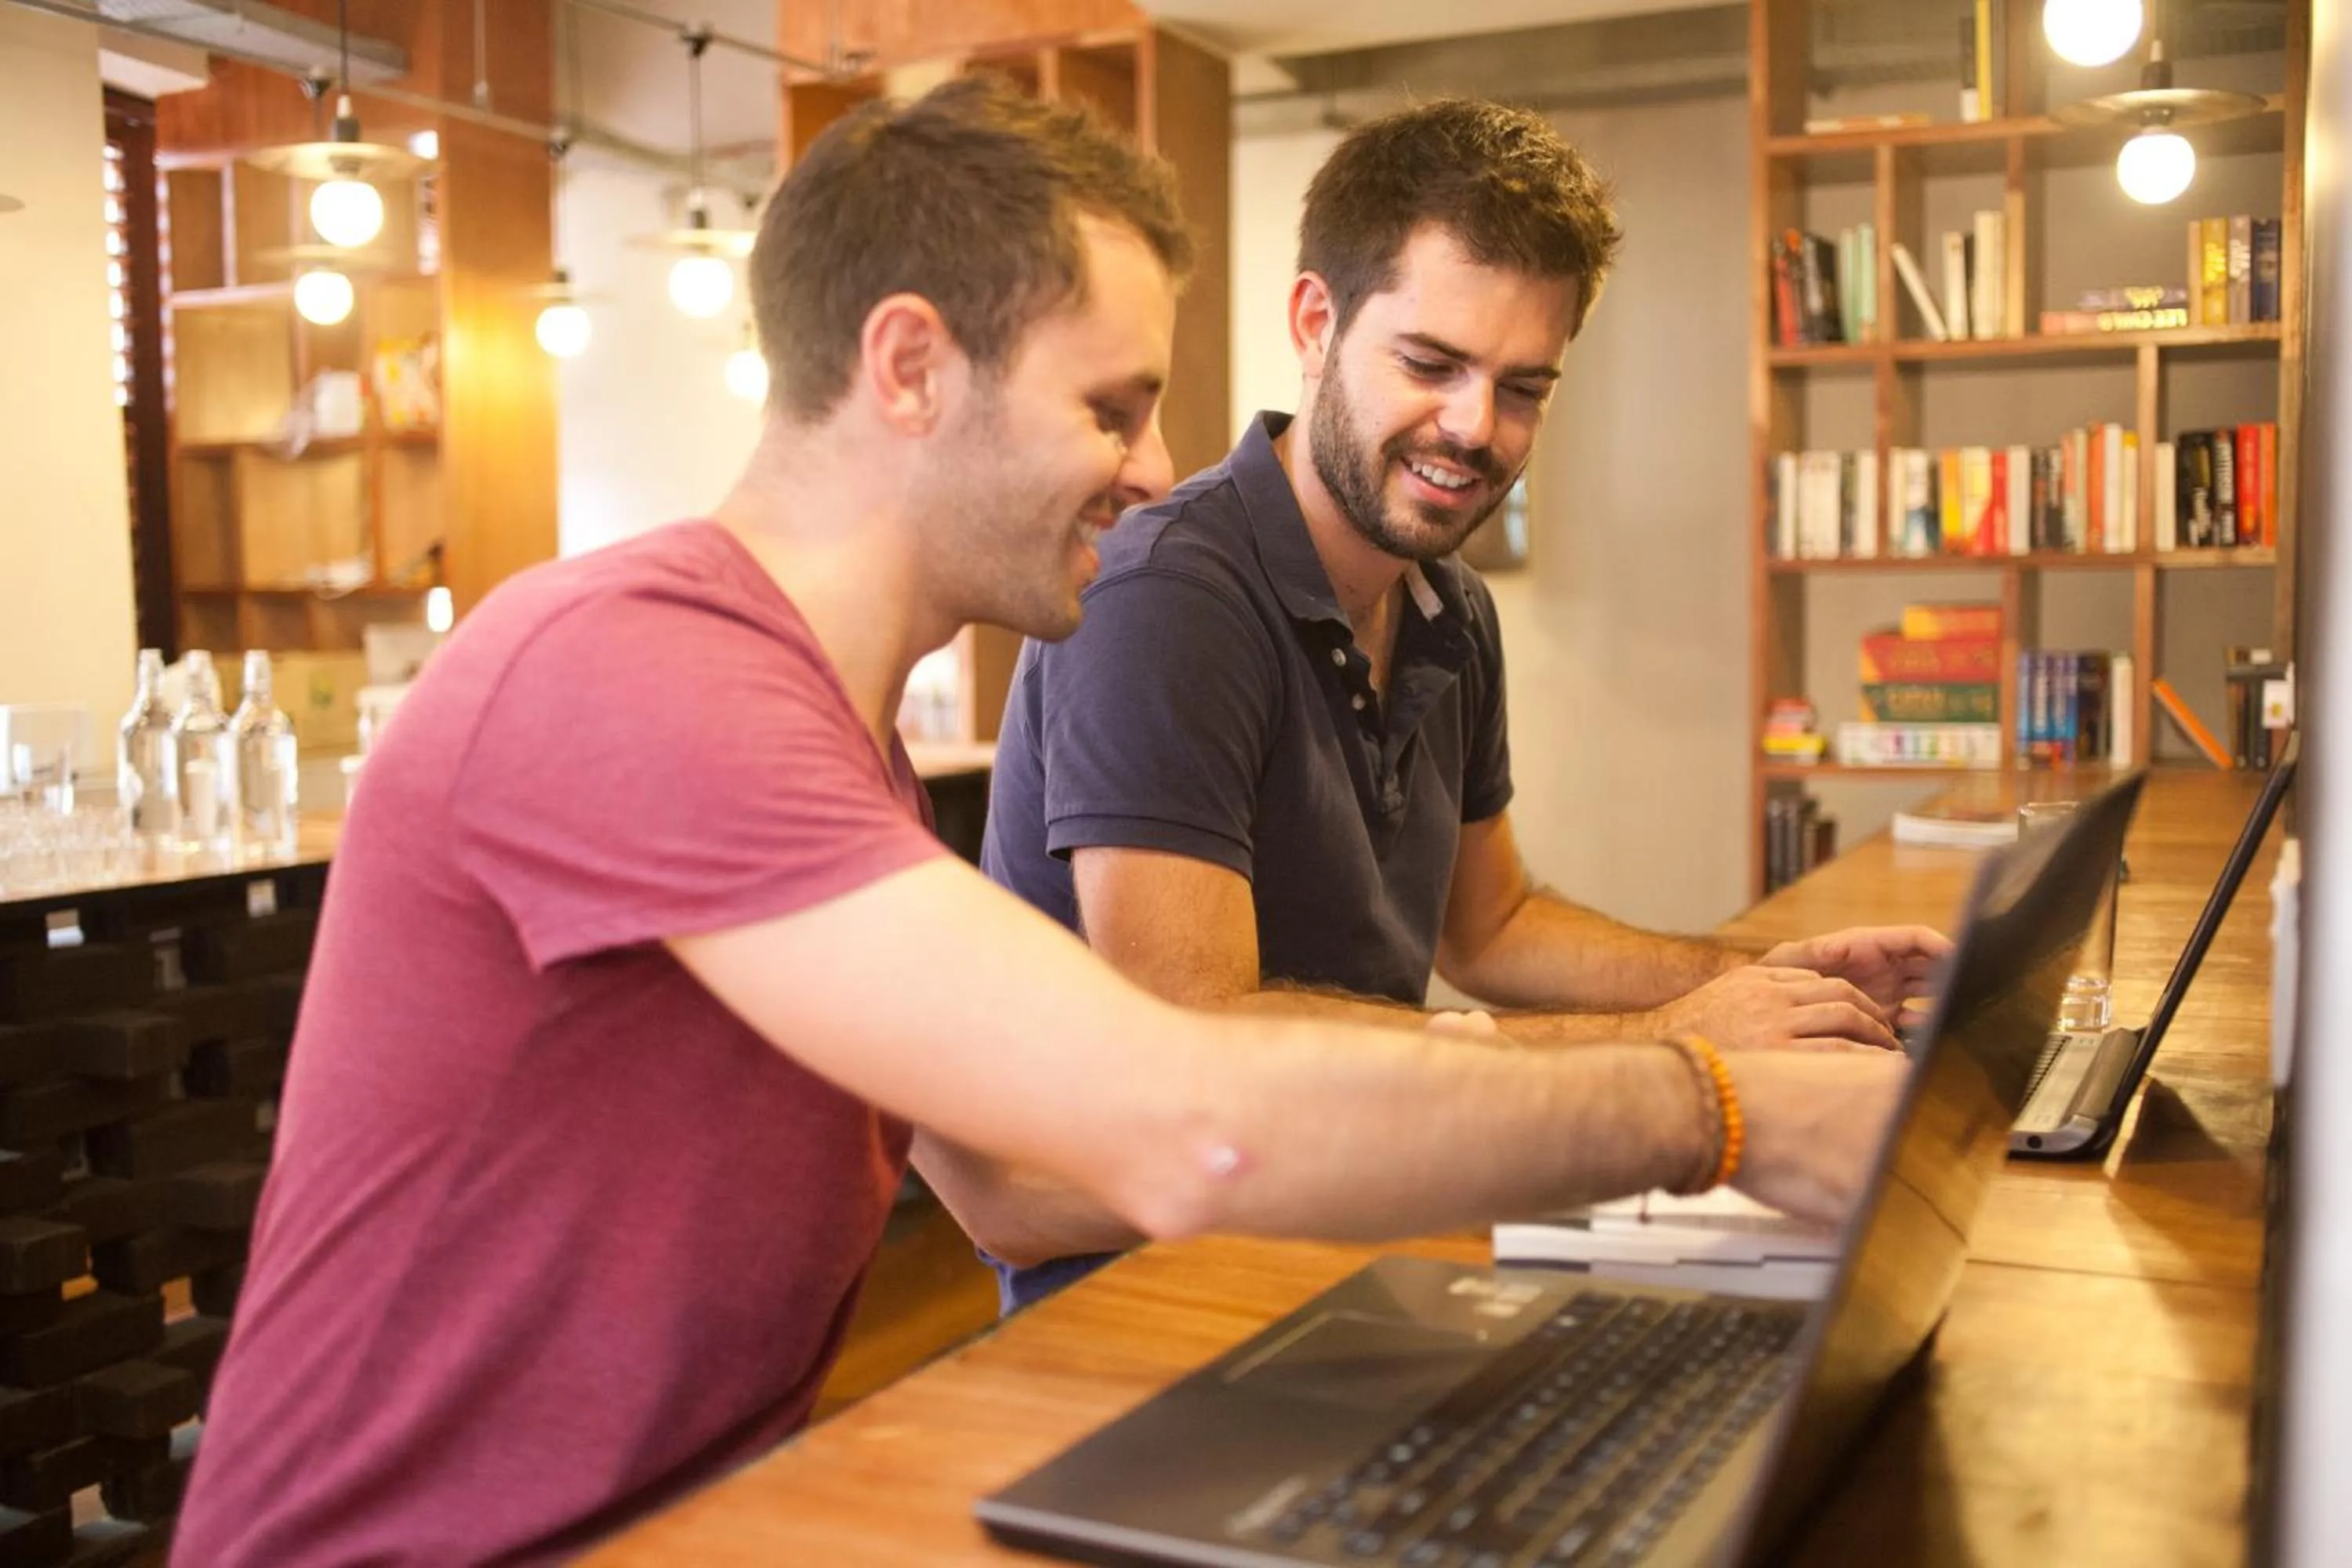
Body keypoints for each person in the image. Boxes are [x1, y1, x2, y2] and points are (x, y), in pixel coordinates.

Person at [172, 79, 1905, 1566]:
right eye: (1110, 406)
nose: (1154, 473)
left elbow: (1010, 1180)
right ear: (911, 367)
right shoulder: (631, 669)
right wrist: (1709, 1103)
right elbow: (1185, 1118)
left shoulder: (822, 736)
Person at [978, 98, 1951, 1311]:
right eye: (1432, 366)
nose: (1476, 429)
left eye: (1524, 387)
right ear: (1316, 323)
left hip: (1359, 1213)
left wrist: (1771, 986)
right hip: (1154, 1288)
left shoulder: (1449, 604)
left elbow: (1492, 929)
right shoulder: (1170, 592)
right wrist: (1685, 1040)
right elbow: (1197, 1029)